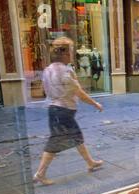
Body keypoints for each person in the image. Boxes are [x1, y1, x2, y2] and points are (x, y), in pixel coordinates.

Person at [33, 37, 103, 185]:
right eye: (70, 51)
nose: (72, 54)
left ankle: (90, 162)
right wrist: (95, 104)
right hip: (63, 111)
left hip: (54, 110)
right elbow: (79, 93)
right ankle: (40, 173)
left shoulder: (47, 70)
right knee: (54, 143)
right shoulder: (66, 71)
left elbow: (45, 90)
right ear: (64, 54)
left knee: (77, 137)